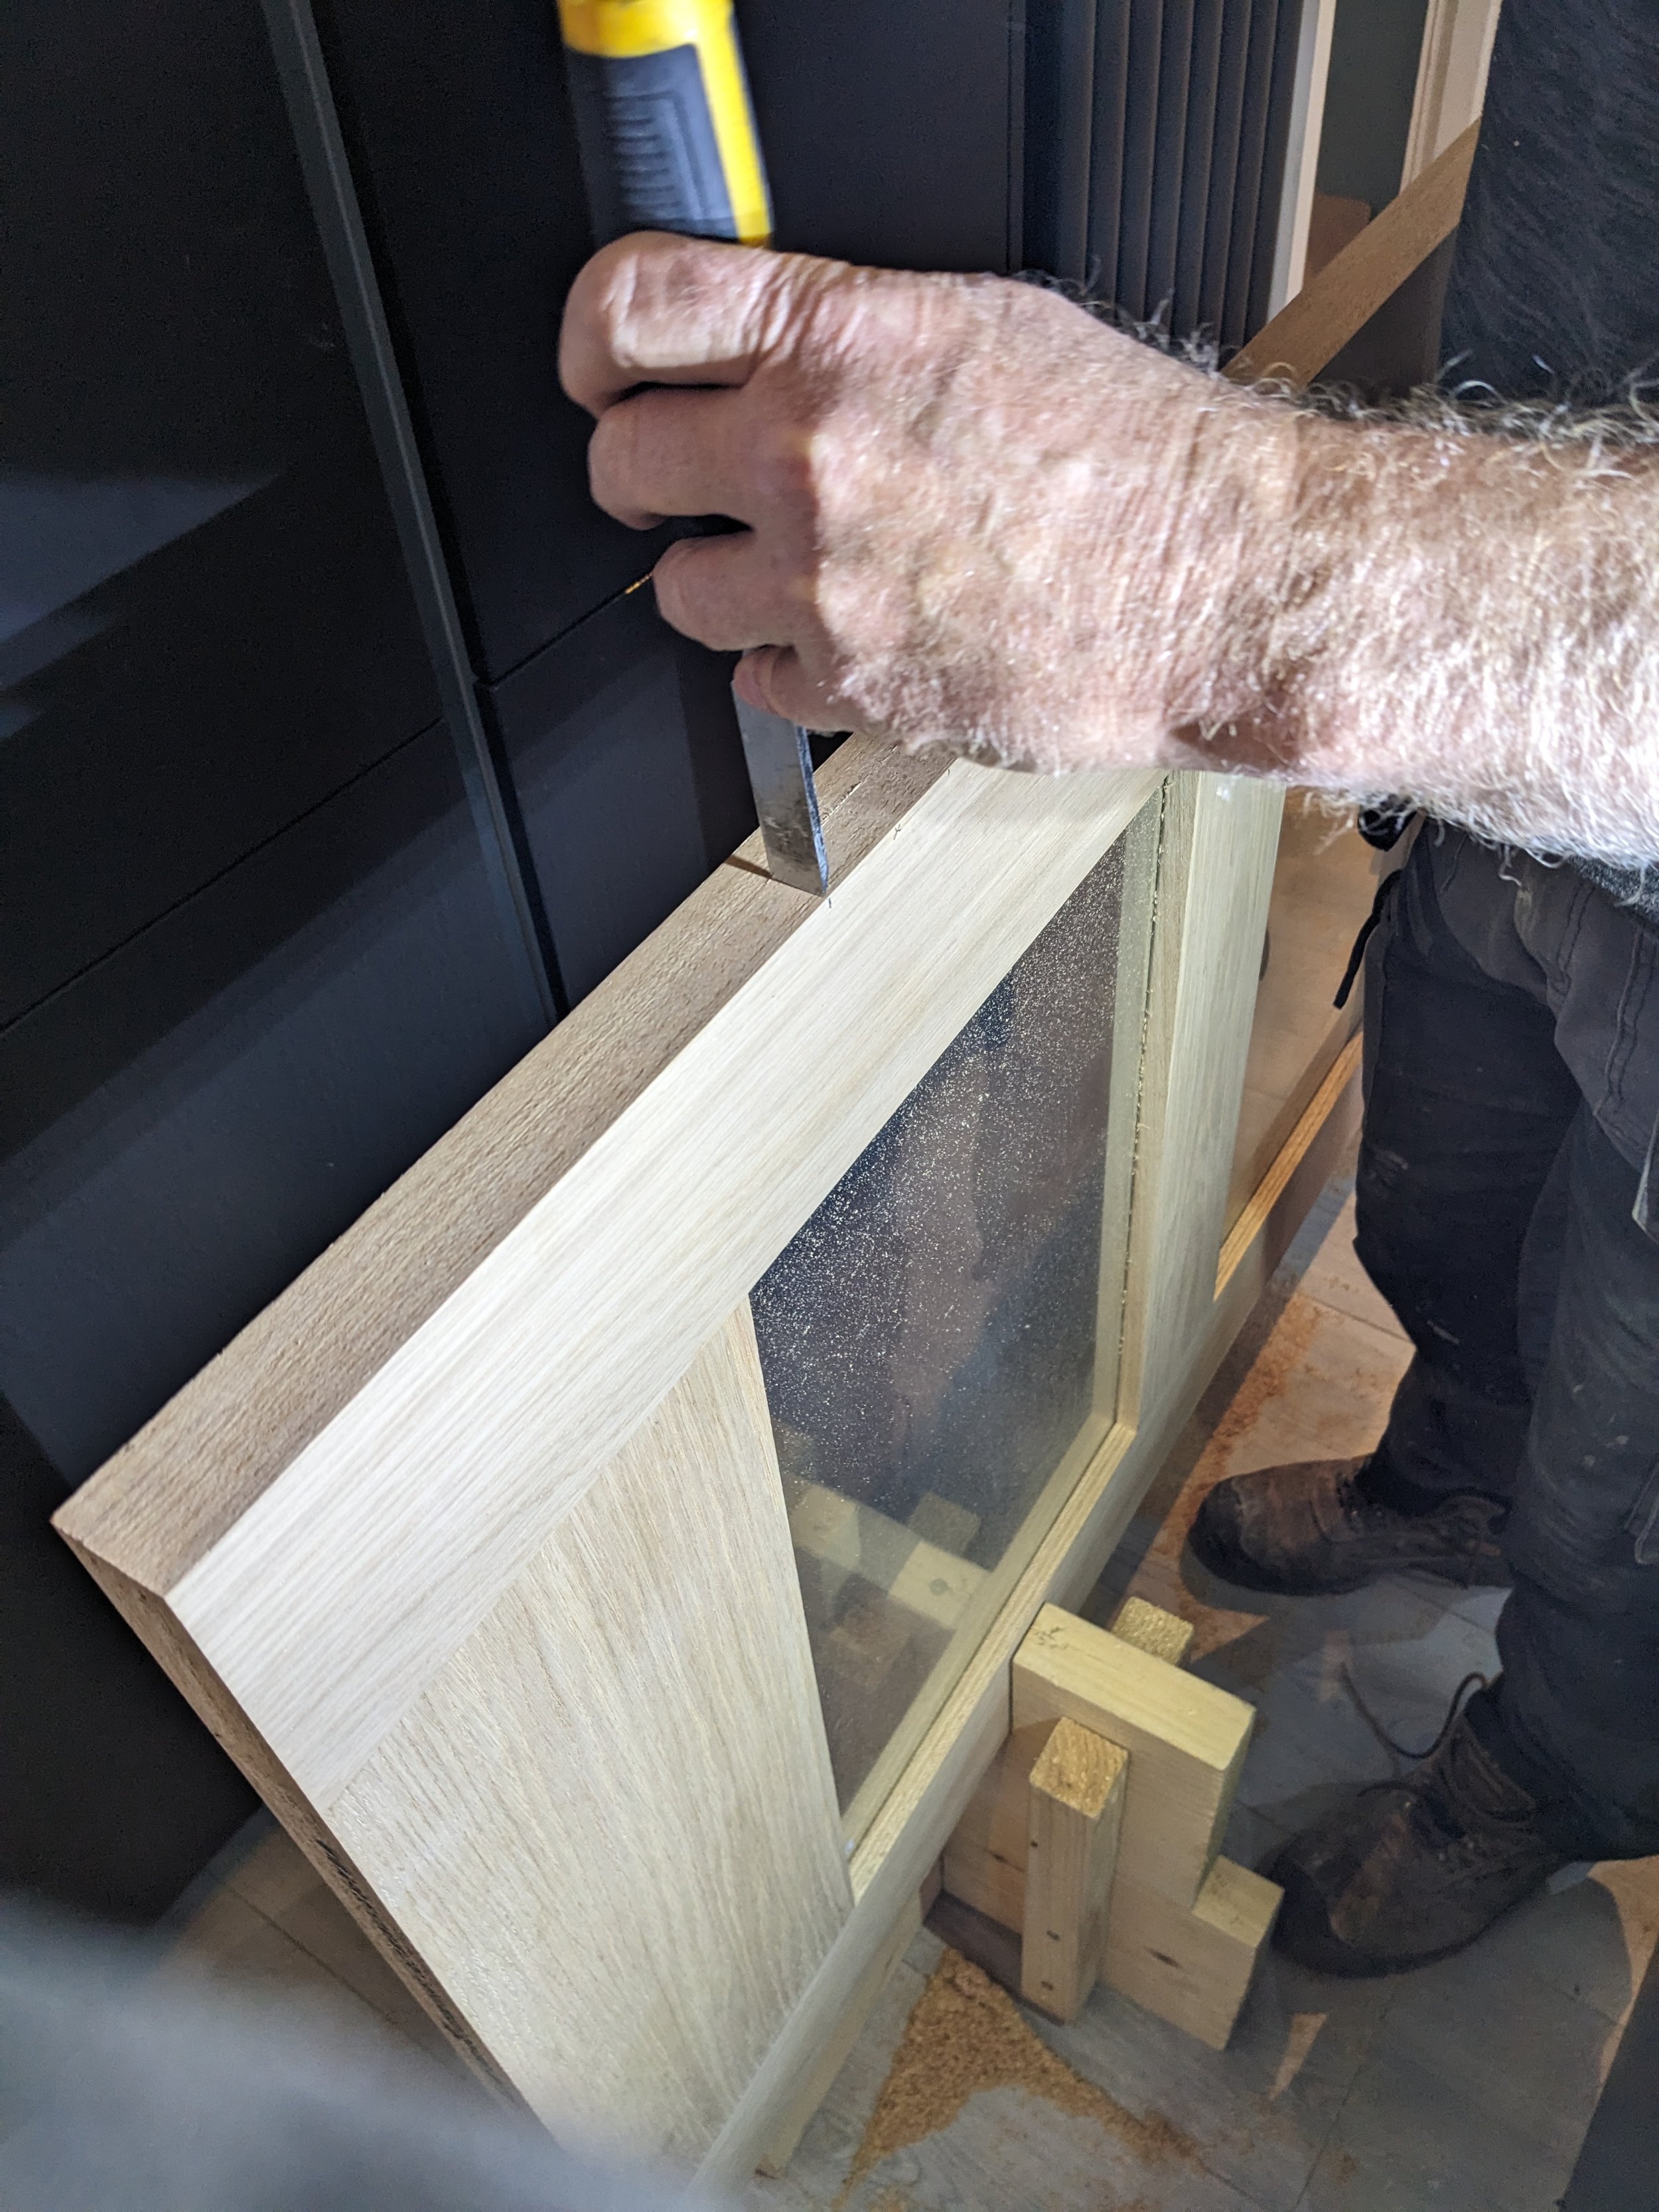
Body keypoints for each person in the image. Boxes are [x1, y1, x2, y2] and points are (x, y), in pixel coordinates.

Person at [558, 0, 1659, 1978]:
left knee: (1637, 1465)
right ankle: (1449, 1481)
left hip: (1526, 681)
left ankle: (1561, 1766)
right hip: (1493, 770)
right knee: (1452, 1195)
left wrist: (1229, 562)